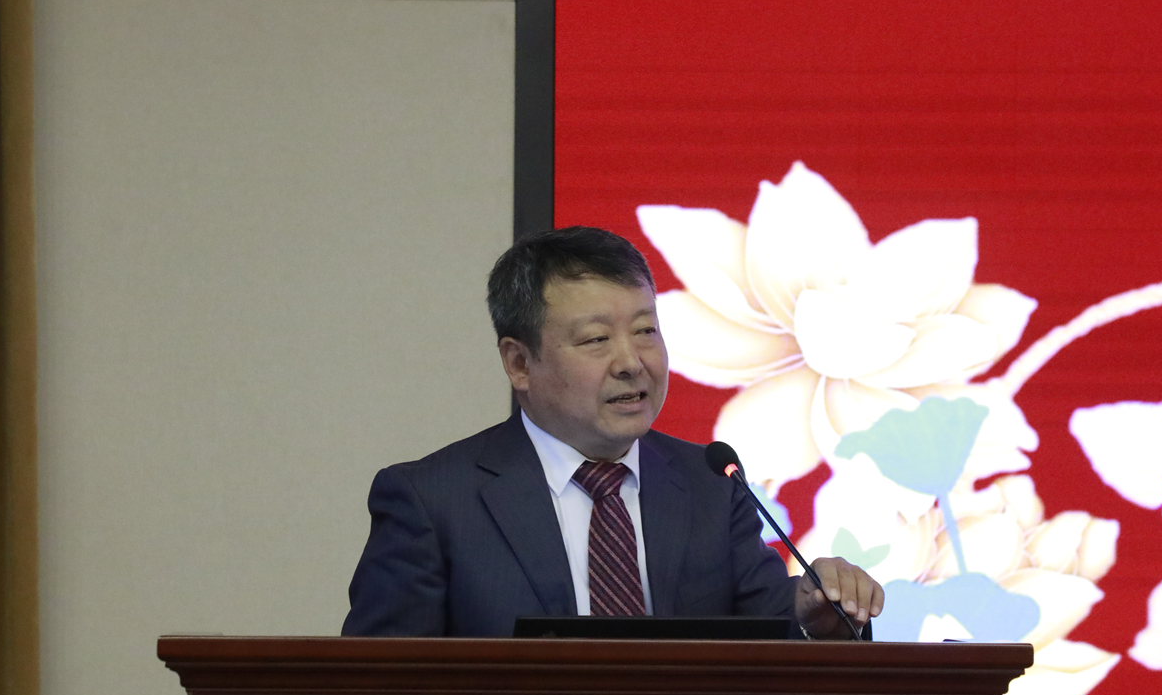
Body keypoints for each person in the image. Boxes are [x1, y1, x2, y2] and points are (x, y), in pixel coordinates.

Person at [342, 226, 884, 638]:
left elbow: (769, 634)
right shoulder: (433, 501)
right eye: (596, 340)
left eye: (646, 331)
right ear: (519, 363)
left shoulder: (710, 486)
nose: (632, 362)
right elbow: (380, 691)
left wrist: (817, 613)